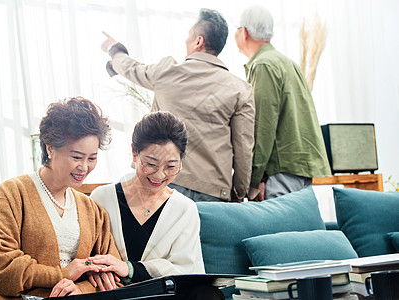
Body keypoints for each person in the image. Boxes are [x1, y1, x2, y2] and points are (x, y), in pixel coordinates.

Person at [101, 8, 255, 202]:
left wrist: (114, 49)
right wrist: (240, 193)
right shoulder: (240, 89)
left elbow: (132, 68)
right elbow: (244, 148)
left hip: (164, 183)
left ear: (199, 41)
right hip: (214, 192)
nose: (185, 41)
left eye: (188, 36)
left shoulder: (167, 72)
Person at [0, 97, 122, 299]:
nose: (84, 167)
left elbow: (112, 274)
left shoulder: (93, 210)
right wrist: (63, 274)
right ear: (50, 148)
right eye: (76, 157)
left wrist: (81, 290)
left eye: (92, 158)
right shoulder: (11, 194)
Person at [90, 111, 224, 299]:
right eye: (151, 164)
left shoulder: (185, 209)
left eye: (171, 166)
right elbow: (87, 254)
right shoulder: (101, 198)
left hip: (164, 295)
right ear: (134, 153)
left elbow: (186, 270)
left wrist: (130, 268)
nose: (160, 175)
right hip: (113, 293)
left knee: (207, 294)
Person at [234, 5, 331, 201]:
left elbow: (262, 127)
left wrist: (253, 181)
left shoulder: (263, 65)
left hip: (280, 172)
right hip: (299, 169)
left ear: (244, 32)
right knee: (301, 230)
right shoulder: (288, 63)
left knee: (283, 230)